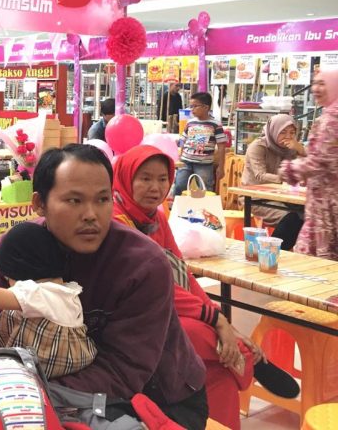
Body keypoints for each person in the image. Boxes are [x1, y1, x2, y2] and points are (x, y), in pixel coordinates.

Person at [0, 144, 209, 429]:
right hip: (56, 395)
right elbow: (8, 328)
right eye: (74, 201)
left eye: (103, 199)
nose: (91, 214)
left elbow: (124, 372)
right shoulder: (14, 252)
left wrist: (25, 387)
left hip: (160, 400)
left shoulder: (141, 264)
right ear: (39, 203)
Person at [112, 145, 298, 428]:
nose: (155, 187)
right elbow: (153, 286)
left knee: (219, 370)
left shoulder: (154, 217)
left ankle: (242, 364)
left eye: (163, 179)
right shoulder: (117, 221)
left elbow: (181, 274)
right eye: (145, 178)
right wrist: (217, 321)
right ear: (126, 177)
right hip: (132, 318)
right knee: (204, 336)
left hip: (164, 310)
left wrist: (221, 318)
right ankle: (252, 361)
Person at [0, 221, 97, 379]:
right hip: (69, 369)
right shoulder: (66, 292)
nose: (8, 283)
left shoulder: (39, 293)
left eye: (7, 277)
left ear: (19, 271)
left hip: (39, 372)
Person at [282, 70, 338, 260]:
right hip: (326, 199)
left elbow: (320, 161)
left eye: (323, 83)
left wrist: (289, 169)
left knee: (316, 262)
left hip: (327, 203)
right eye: (314, 83)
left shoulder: (332, 119)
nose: (316, 88)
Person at [242, 114, 306, 250]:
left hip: (282, 195)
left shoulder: (291, 148)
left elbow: (306, 167)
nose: (288, 137)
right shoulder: (258, 146)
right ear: (273, 130)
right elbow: (260, 175)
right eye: (282, 132)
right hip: (256, 197)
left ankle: (294, 253)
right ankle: (269, 252)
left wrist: (301, 150)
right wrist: (285, 178)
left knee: (308, 213)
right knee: (291, 218)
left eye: (292, 133)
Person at [174, 92, 226, 195]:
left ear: (206, 107)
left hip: (204, 164)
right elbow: (183, 140)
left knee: (205, 189)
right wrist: (179, 150)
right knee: (180, 186)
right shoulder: (190, 123)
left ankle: (205, 210)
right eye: (191, 106)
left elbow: (221, 146)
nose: (192, 109)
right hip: (185, 161)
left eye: (195, 106)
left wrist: (221, 166)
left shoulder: (215, 124)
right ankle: (177, 209)